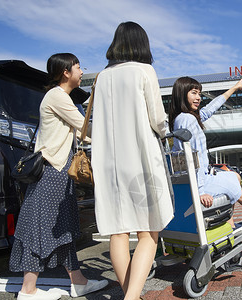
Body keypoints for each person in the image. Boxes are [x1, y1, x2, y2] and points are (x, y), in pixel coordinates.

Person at [9, 53, 108, 300]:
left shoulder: (60, 97)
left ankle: (79, 282)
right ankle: (28, 290)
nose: (81, 71)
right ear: (65, 72)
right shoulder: (57, 96)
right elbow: (84, 128)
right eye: (77, 67)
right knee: (39, 225)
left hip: (58, 171)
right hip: (51, 171)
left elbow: (78, 132)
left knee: (62, 227)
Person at [91, 22, 174, 300]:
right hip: (139, 160)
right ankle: (130, 298)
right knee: (150, 230)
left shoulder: (101, 77)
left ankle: (131, 294)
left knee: (118, 231)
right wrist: (169, 133)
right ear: (142, 44)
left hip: (107, 164)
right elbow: (158, 119)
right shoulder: (144, 70)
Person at [169, 76, 242, 230]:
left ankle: (230, 224)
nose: (198, 98)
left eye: (199, 94)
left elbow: (210, 109)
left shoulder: (186, 117)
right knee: (235, 188)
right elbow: (192, 158)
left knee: (234, 176)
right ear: (182, 94)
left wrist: (233, 88)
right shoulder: (188, 120)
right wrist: (200, 192)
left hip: (198, 178)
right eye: (194, 93)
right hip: (198, 182)